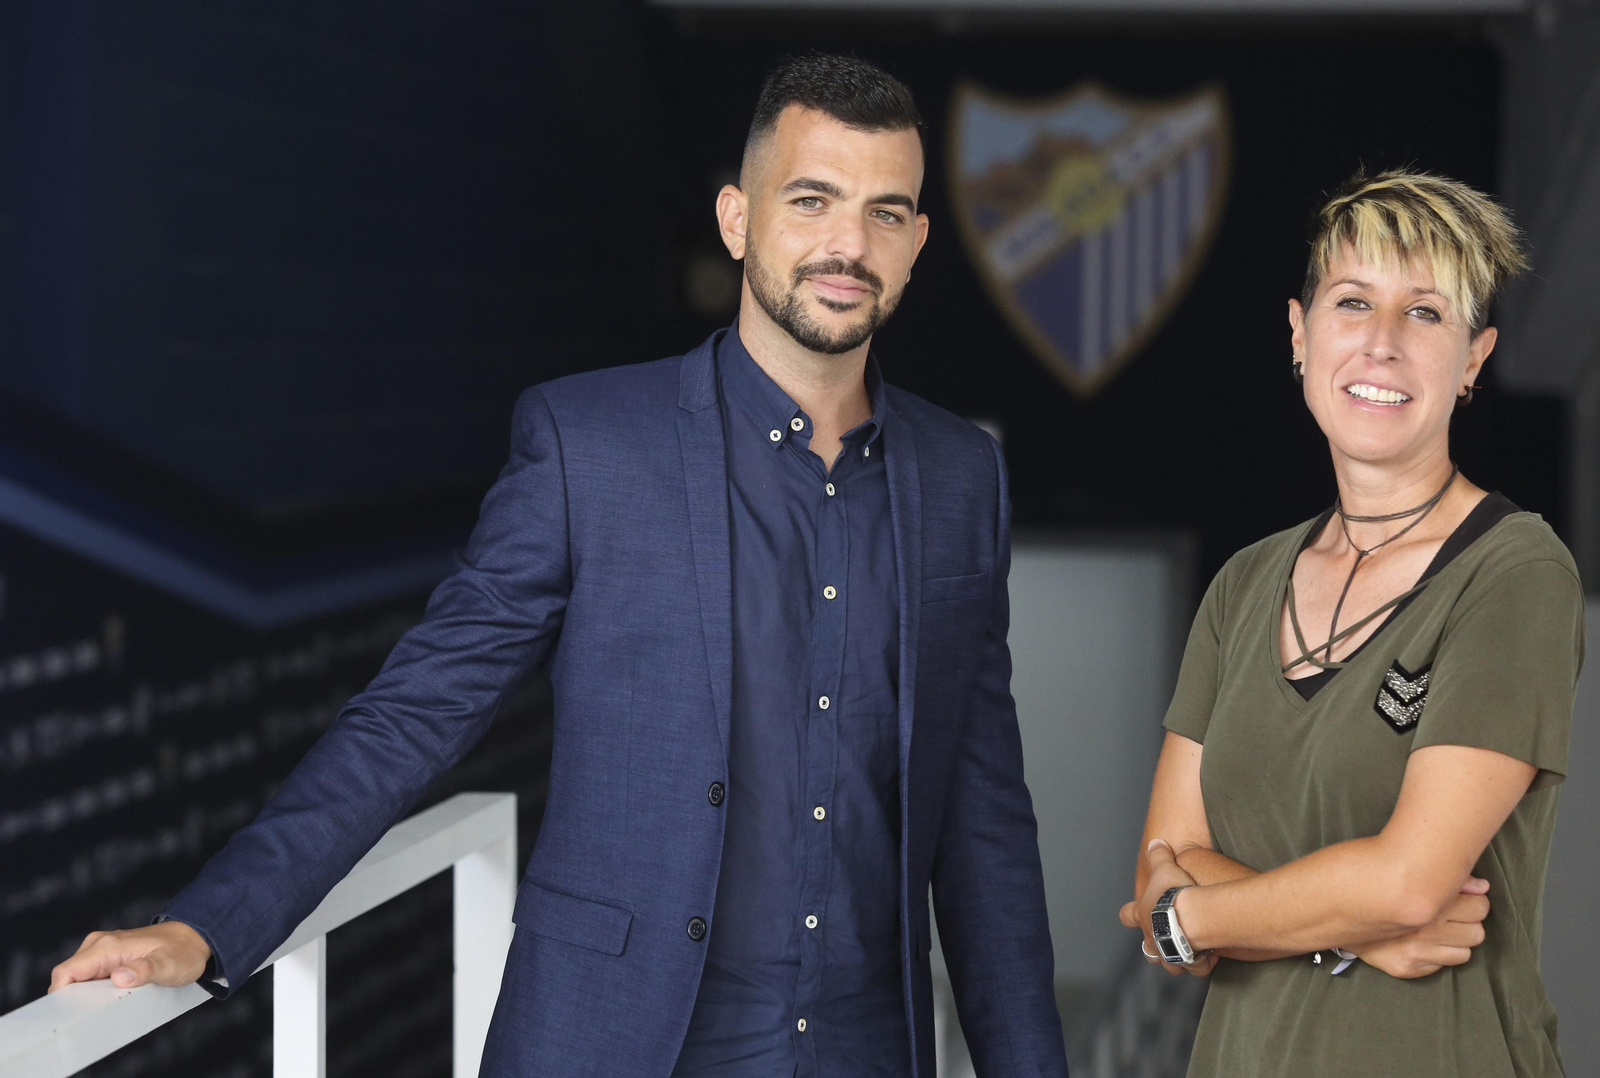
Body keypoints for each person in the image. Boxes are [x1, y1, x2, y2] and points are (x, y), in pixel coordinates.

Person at [50, 54, 1069, 1078]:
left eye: (885, 212)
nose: (848, 244)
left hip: (865, 1049)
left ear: (916, 242)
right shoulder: (589, 445)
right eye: (812, 200)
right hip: (615, 1042)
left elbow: (982, 820)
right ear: (736, 219)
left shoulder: (961, 476)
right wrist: (210, 924)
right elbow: (417, 710)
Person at [1120, 168, 1583, 1078]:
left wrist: (1197, 914)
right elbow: (1155, 870)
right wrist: (1356, 926)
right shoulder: (1243, 586)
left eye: (1426, 313)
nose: (1381, 342)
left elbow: (1408, 881)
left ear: (1474, 358)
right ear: (1300, 334)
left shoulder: (1515, 573)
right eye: (1353, 301)